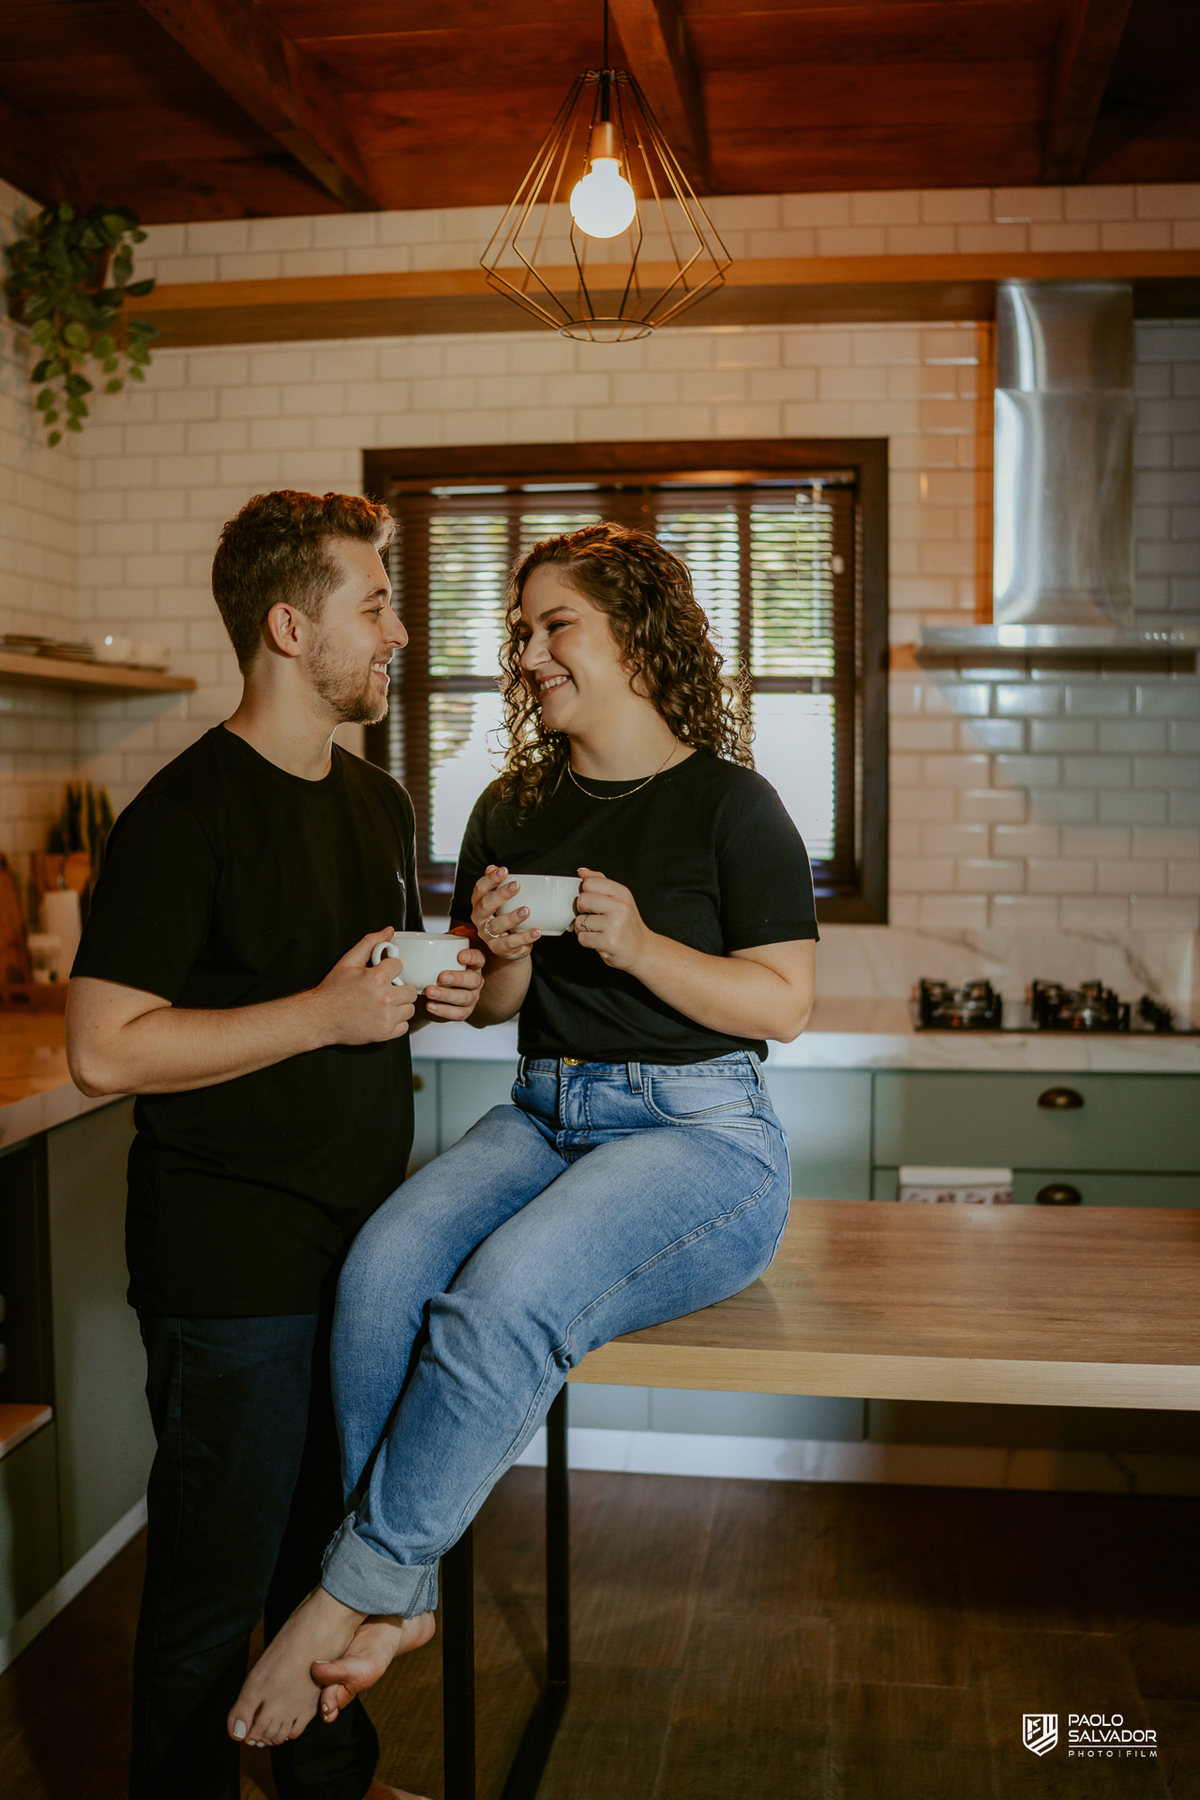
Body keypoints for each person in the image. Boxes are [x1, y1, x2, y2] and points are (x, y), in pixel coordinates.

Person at [224, 520, 818, 1750]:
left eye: (558, 626)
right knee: (382, 1271)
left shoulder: (732, 804)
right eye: (522, 631)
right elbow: (500, 1007)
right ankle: (404, 1600)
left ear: (636, 638)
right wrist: (498, 954)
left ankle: (350, 1590)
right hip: (547, 1110)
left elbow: (784, 1005)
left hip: (703, 1136)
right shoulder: (512, 805)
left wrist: (639, 944)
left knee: (500, 1299)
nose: (530, 653)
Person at [65, 490, 484, 1800]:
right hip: (230, 1270)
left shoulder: (379, 802)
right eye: (377, 606)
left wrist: (435, 988)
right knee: (213, 1587)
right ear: (291, 628)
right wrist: (320, 1014)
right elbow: (104, 1048)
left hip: (362, 1260)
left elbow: (356, 984)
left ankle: (327, 1789)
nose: (399, 633)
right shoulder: (181, 814)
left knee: (327, 1568)